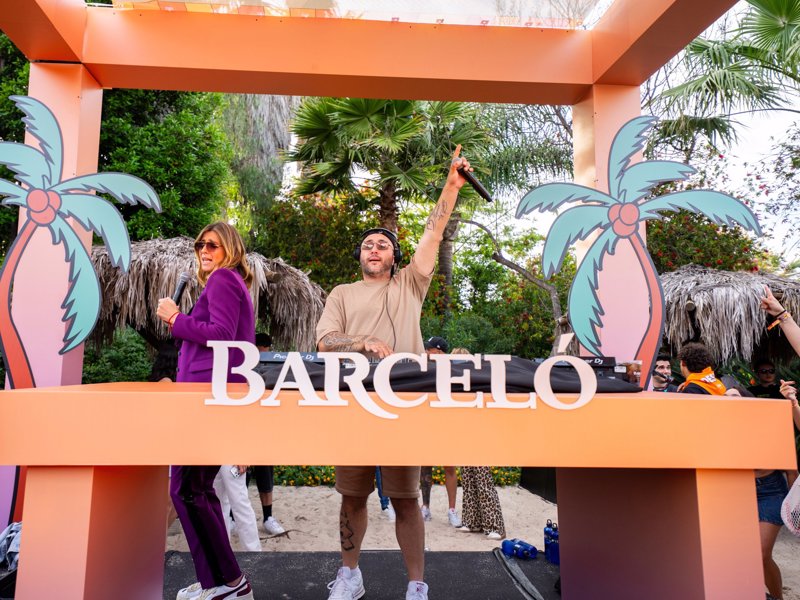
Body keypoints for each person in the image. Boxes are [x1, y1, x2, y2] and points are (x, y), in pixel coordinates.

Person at [315, 145, 473, 600]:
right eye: (367, 244)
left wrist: (451, 186)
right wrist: (361, 342)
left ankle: (416, 583)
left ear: (395, 256)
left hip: (402, 405)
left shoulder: (410, 284)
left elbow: (433, 232)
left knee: (406, 499)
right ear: (359, 255)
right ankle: (350, 576)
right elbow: (324, 341)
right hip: (353, 405)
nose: (374, 248)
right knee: (352, 497)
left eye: (382, 244)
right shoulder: (341, 293)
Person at [156, 221, 256, 600]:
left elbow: (222, 335)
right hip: (207, 398)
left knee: (186, 489)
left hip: (207, 400)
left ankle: (229, 582)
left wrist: (175, 319)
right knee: (196, 490)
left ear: (230, 248)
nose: (204, 250)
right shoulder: (227, 283)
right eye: (200, 244)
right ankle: (220, 580)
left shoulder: (224, 279)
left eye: (212, 244)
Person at [450, 347, 506, 540]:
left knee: (483, 480)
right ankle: (472, 522)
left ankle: (495, 526)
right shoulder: (455, 386)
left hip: (481, 436)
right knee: (468, 479)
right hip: (464, 435)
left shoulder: (481, 383)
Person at [419, 337, 462, 528]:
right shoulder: (423, 368)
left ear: (440, 352)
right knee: (425, 466)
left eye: (430, 350)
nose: (427, 353)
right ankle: (425, 507)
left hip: (447, 423)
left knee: (449, 467)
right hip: (427, 422)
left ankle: (452, 510)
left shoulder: (454, 370)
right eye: (427, 350)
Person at [249, 333, 286, 535]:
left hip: (264, 429)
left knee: (266, 475)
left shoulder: (273, 367)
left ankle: (268, 517)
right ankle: (233, 518)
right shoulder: (244, 366)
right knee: (240, 476)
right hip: (246, 428)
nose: (264, 355)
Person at [213, 465, 262, 551]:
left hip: (231, 460)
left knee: (240, 505)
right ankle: (222, 551)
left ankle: (253, 552)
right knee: (216, 506)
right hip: (210, 461)